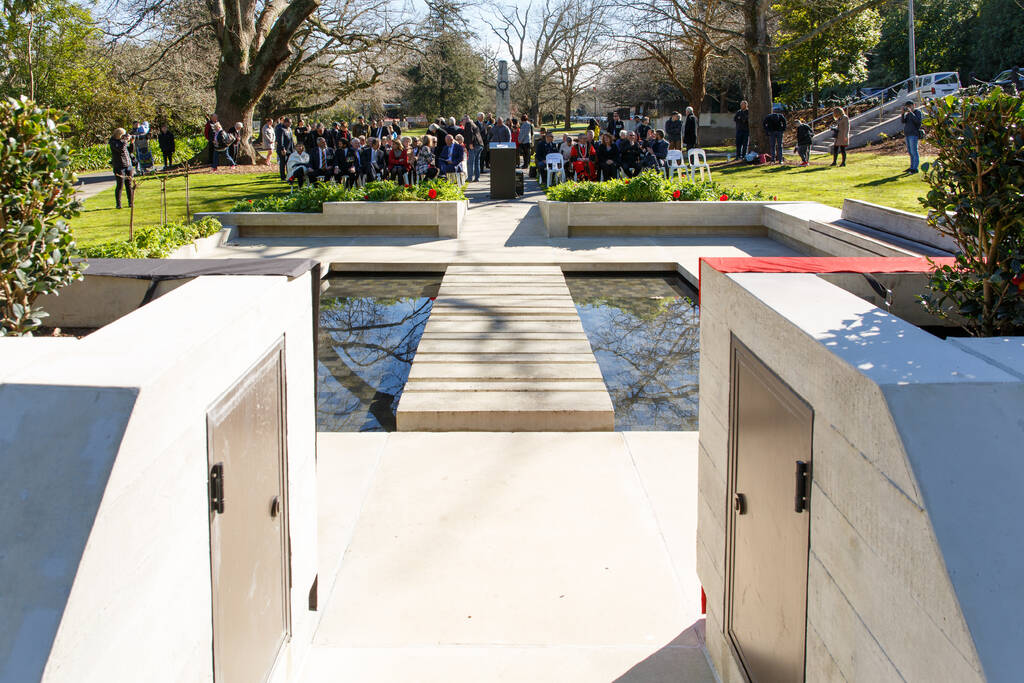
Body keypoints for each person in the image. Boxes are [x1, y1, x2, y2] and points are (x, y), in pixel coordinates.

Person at [109, 127, 134, 209]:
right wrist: (125, 141)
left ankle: (131, 202)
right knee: (120, 185)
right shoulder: (113, 142)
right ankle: (118, 204)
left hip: (128, 165)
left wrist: (132, 143)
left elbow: (129, 151)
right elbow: (120, 149)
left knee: (129, 185)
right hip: (119, 166)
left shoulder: (123, 142)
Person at [901, 101, 923, 174]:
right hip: (907, 134)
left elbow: (918, 122)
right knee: (910, 152)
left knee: (914, 151)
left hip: (914, 134)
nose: (909, 107)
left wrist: (911, 112)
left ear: (914, 105)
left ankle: (915, 168)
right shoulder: (907, 114)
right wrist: (903, 113)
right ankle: (911, 167)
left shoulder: (917, 112)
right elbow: (903, 121)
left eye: (910, 106)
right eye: (907, 106)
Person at [463, 116, 484, 182]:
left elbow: (470, 134)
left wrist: (470, 143)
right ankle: (477, 178)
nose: (462, 122)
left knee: (470, 162)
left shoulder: (468, 124)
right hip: (480, 145)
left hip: (474, 145)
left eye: (462, 120)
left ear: (466, 120)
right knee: (477, 162)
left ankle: (469, 178)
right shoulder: (474, 124)